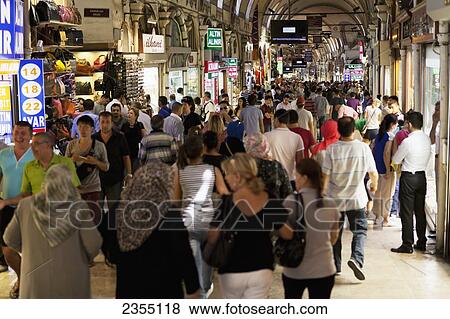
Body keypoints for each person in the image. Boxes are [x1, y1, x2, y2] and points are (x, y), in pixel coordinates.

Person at [4, 165, 102, 298]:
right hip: (71, 282)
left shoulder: (25, 206)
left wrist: (30, 250)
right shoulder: (79, 208)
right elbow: (93, 244)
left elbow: (9, 238)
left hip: (34, 283)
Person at [206, 153, 289, 298]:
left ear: (238, 177)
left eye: (228, 174)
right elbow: (287, 233)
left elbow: (213, 235)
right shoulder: (268, 197)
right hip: (262, 266)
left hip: (231, 268)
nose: (225, 178)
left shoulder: (227, 202)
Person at [115, 162, 200, 298]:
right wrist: (193, 287)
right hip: (164, 288)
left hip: (129, 288)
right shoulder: (169, 214)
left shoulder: (119, 210)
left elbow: (110, 249)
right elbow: (183, 252)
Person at [322, 117, 378, 280]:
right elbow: (373, 173)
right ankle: (356, 258)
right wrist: (374, 186)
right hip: (357, 199)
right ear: (354, 130)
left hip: (335, 200)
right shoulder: (363, 148)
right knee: (360, 231)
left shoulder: (332, 150)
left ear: (339, 130)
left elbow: (325, 176)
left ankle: (336, 266)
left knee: (335, 233)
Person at [174, 136, 229, 298]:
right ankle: (205, 289)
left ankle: (201, 294)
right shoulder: (213, 170)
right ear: (202, 151)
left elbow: (175, 201)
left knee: (195, 263)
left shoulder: (180, 171)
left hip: (189, 222)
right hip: (208, 221)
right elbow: (225, 194)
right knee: (206, 265)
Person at [281, 159, 340, 299]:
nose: (295, 180)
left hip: (295, 270)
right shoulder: (330, 204)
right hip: (324, 268)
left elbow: (285, 234)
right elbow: (333, 238)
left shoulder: (291, 202)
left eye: (297, 175)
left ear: (305, 178)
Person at [0, 122, 35, 298]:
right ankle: (23, 279)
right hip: (6, 208)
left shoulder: (36, 156)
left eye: (23, 133)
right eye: (16, 133)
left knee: (31, 250)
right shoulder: (4, 155)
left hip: (31, 208)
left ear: (30, 136)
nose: (19, 136)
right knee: (7, 249)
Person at [94, 111, 132, 264]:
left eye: (107, 122)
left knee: (114, 212)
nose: (105, 125)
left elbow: (126, 157)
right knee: (96, 212)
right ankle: (98, 241)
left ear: (112, 123)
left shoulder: (120, 137)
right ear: (99, 123)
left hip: (115, 179)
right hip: (97, 180)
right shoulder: (94, 138)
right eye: (102, 122)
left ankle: (114, 242)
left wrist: (129, 174)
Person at [391, 112, 431, 254]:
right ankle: (421, 241)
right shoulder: (426, 139)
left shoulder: (408, 141)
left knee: (407, 212)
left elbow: (396, 160)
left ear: (410, 124)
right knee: (420, 210)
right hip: (422, 177)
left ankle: (407, 244)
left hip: (408, 177)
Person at [65, 115, 109, 223]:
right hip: (76, 188)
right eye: (80, 127)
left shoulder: (99, 146)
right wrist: (72, 159)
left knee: (92, 218)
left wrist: (95, 162)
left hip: (93, 188)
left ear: (92, 129)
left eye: (86, 127)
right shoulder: (71, 145)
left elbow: (106, 167)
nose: (82, 130)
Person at [243, 133, 293, 199]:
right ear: (265, 147)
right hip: (275, 207)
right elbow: (288, 193)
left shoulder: (242, 167)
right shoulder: (275, 166)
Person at [264, 109, 304, 187]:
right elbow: (300, 162)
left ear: (276, 119)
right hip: (291, 179)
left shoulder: (266, 136)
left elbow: (263, 159)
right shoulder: (297, 137)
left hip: (272, 178)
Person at [372, 114, 398, 226]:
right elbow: (387, 153)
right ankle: (385, 219)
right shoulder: (390, 136)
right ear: (392, 124)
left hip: (377, 168)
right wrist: (388, 170)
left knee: (378, 193)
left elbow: (374, 149)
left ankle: (377, 216)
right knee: (387, 194)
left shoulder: (379, 135)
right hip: (385, 169)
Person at [120, 108, 145, 172]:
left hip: (136, 151)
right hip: (127, 151)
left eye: (131, 113)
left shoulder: (140, 125)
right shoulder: (124, 125)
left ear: (136, 116)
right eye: (128, 113)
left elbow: (144, 137)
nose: (129, 114)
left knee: (135, 169)